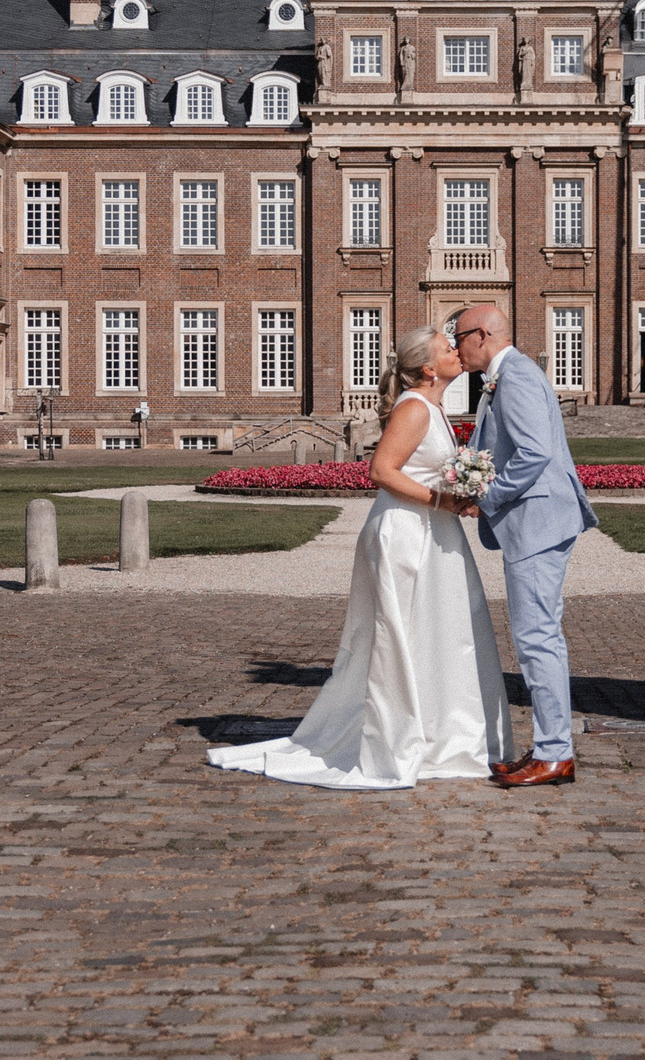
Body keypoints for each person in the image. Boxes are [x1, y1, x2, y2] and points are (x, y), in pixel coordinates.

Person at [208, 326, 513, 788]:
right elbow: (381, 470)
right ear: (428, 368)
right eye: (448, 348)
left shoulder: (432, 408)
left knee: (439, 632)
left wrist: (460, 490)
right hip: (407, 533)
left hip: (432, 532)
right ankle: (402, 737)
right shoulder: (414, 408)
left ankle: (441, 732)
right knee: (401, 635)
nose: (457, 351)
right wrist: (440, 500)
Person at [453, 302, 598, 788]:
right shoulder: (509, 374)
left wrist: (487, 495)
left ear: (481, 335)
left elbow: (535, 451)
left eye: (458, 338)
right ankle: (549, 747)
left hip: (537, 522)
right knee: (538, 636)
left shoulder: (513, 376)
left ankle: (555, 753)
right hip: (539, 521)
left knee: (537, 639)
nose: (456, 348)